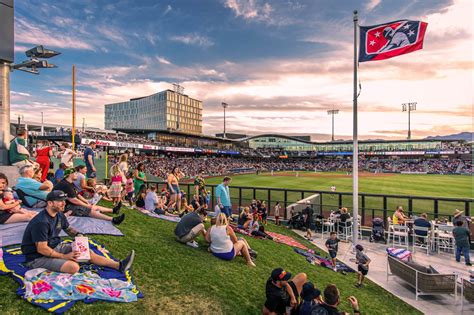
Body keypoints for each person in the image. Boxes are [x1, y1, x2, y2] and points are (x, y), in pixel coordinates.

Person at [21, 190, 135, 274]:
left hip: (55, 247)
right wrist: (64, 256)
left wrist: (78, 235)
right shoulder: (41, 222)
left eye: (64, 201)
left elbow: (68, 229)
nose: (64, 204)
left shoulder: (59, 214)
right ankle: (65, 261)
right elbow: (42, 249)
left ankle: (119, 265)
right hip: (37, 257)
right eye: (60, 201)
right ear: (50, 203)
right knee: (74, 267)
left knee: (86, 251)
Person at [54, 168, 125, 224]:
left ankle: (113, 210)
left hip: (65, 204)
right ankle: (113, 220)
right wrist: (86, 205)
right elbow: (74, 200)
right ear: (70, 175)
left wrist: (86, 202)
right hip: (63, 207)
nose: (77, 175)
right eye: (75, 173)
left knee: (91, 206)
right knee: (89, 210)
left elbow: (77, 195)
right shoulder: (66, 185)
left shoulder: (69, 183)